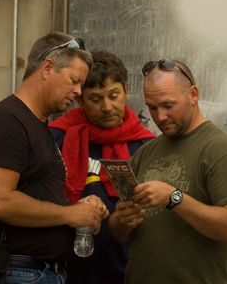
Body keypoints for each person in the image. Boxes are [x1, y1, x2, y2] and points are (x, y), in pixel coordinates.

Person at [0, 32, 109, 284]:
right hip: (18, 272)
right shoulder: (7, 121)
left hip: (39, 273)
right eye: (74, 80)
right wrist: (70, 215)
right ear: (47, 68)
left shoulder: (38, 126)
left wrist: (78, 210)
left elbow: (37, 195)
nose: (79, 92)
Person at [109, 58, 227, 284]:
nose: (160, 116)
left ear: (193, 95)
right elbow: (118, 232)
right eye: (152, 107)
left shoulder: (221, 149)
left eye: (168, 105)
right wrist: (123, 219)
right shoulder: (146, 152)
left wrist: (173, 197)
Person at [49, 49, 155, 284]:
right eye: (96, 99)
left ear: (127, 90)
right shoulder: (57, 137)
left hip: (127, 271)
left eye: (113, 95)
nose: (107, 107)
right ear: (79, 98)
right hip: (63, 271)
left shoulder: (147, 145)